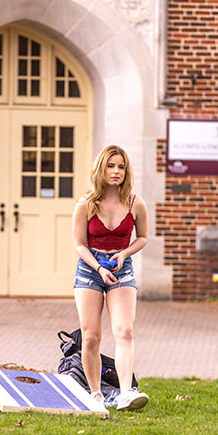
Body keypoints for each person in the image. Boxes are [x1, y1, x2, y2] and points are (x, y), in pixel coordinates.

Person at [72, 145, 150, 411]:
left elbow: (143, 237)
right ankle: (95, 394)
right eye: (110, 166)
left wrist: (124, 253)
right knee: (91, 336)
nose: (116, 172)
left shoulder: (135, 203)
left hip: (122, 269)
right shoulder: (86, 204)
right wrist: (98, 267)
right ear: (101, 169)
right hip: (89, 270)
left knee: (125, 330)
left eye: (121, 167)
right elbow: (79, 244)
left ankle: (126, 392)